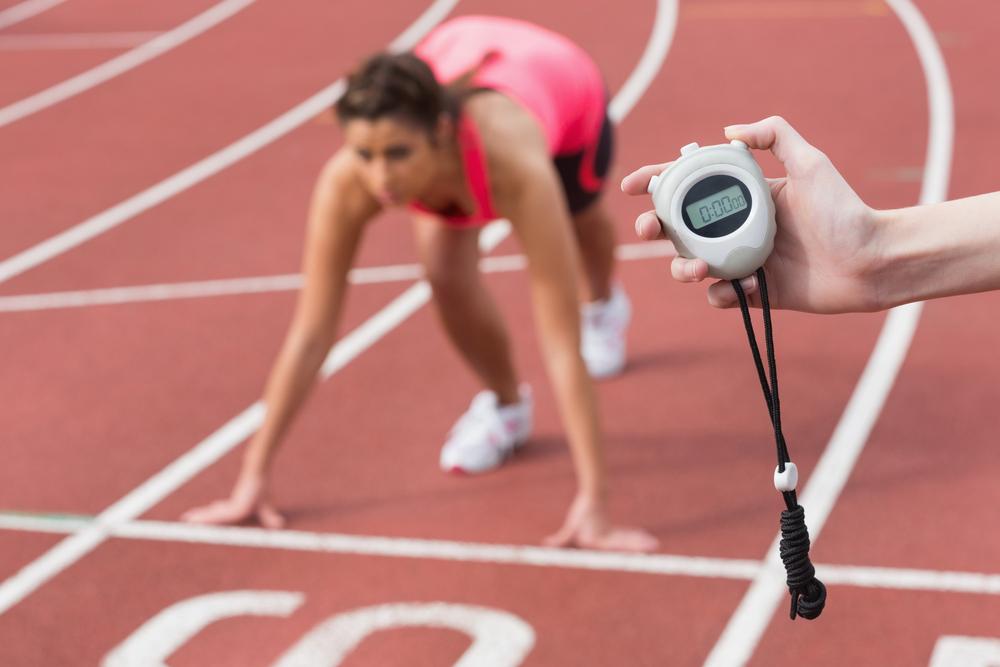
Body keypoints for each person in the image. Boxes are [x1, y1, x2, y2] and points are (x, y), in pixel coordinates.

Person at [182, 15, 657, 552]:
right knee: (444, 273)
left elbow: (559, 345)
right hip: (459, 60)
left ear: (441, 133)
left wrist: (595, 501)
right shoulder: (353, 181)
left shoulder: (516, 167)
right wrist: (253, 476)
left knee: (581, 217)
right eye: (365, 154)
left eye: (397, 155)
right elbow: (311, 334)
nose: (381, 178)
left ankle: (604, 305)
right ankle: (506, 408)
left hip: (562, 88)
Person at [623, 115, 1000, 313]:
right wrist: (872, 255)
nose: (719, 212)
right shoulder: (735, 161)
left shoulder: (681, 187)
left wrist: (875, 254)